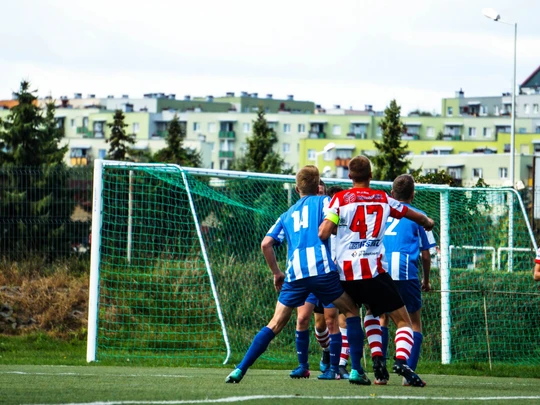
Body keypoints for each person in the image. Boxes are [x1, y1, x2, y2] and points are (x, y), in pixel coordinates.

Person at [225, 165, 371, 385]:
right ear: (318, 185)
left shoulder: (287, 214)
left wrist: (277, 273)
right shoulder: (326, 202)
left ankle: (239, 369)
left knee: (275, 323)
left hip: (295, 275)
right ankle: (356, 371)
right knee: (351, 310)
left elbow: (266, 244)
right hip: (322, 271)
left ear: (296, 189)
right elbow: (337, 226)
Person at [319, 155, 435, 388]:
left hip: (345, 274)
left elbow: (324, 232)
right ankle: (401, 361)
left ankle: (372, 360)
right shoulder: (383, 198)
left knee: (365, 314)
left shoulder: (339, 200)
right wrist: (427, 221)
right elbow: (412, 214)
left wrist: (337, 232)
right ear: (371, 176)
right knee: (403, 321)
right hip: (373, 272)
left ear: (350, 176)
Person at [379, 174, 437, 386]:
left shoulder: (383, 213)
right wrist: (427, 280)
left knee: (382, 318)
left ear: (392, 194)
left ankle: (380, 374)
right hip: (405, 272)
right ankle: (408, 375)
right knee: (414, 324)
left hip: (383, 271)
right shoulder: (419, 216)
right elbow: (426, 254)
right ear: (413, 195)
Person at [290, 181, 344, 380]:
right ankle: (307, 363)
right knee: (308, 320)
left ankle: (335, 367)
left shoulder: (331, 211)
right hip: (309, 274)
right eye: (317, 190)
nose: (319, 193)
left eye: (322, 190)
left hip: (329, 274)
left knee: (331, 321)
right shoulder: (302, 216)